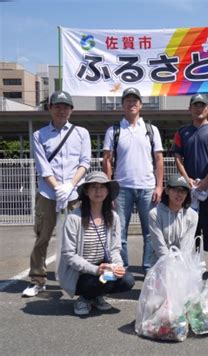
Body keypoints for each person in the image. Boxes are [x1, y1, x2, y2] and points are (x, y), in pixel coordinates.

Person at [22, 91, 91, 297]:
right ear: (50, 108)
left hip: (75, 194)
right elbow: (43, 167)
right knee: (43, 236)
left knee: (78, 237)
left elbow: (85, 162)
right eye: (57, 106)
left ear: (71, 110)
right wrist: (57, 188)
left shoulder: (81, 133)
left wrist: (70, 185)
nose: (62, 110)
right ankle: (38, 279)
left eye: (66, 107)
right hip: (48, 194)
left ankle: (77, 278)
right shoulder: (39, 135)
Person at [102, 87, 164, 274]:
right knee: (119, 233)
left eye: (135, 100)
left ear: (141, 105)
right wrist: (109, 189)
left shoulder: (151, 130)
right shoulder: (113, 130)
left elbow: (159, 159)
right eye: (128, 100)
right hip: (121, 189)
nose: (132, 103)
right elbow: (107, 160)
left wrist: (159, 186)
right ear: (122, 104)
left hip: (147, 187)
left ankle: (148, 269)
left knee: (150, 233)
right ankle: (122, 268)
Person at [57, 171, 135, 316]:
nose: (98, 191)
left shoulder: (113, 217)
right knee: (97, 280)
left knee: (127, 280)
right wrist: (95, 269)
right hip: (80, 274)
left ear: (108, 191)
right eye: (93, 187)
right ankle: (85, 298)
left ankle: (96, 295)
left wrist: (117, 266)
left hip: (102, 269)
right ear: (86, 191)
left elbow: (115, 249)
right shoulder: (74, 218)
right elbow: (68, 255)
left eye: (102, 187)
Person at [172, 94, 208, 270]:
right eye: (195, 105)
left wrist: (207, 180)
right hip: (188, 189)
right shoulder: (182, 132)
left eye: (202, 105)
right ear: (190, 109)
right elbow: (177, 156)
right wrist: (186, 179)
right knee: (190, 226)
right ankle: (194, 261)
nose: (199, 108)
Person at [149, 174, 199, 261]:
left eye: (183, 191)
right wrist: (171, 267)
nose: (179, 194)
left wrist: (179, 268)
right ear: (167, 191)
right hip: (160, 263)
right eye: (176, 190)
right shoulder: (154, 214)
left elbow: (186, 247)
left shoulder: (193, 216)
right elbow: (160, 248)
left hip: (184, 263)